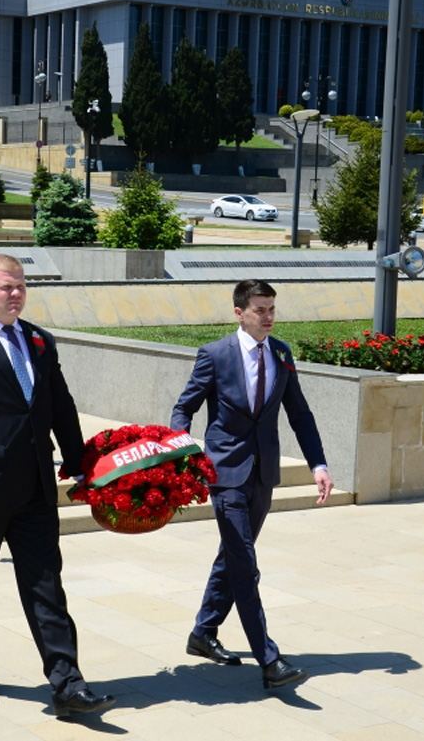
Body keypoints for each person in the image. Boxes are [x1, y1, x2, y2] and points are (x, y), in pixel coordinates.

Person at [0, 254, 115, 718]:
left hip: (35, 488)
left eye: (21, 287)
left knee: (46, 583)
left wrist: (80, 462)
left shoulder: (38, 340)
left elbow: (60, 406)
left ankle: (67, 681)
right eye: (6, 287)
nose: (15, 294)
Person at [170, 279, 333, 689]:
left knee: (233, 554)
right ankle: (268, 658)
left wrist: (318, 463)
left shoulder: (281, 353)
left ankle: (203, 633)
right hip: (225, 473)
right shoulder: (214, 355)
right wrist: (184, 451)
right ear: (239, 313)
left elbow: (300, 413)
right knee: (245, 563)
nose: (268, 317)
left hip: (263, 473)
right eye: (260, 310)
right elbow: (183, 407)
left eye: (272, 309)